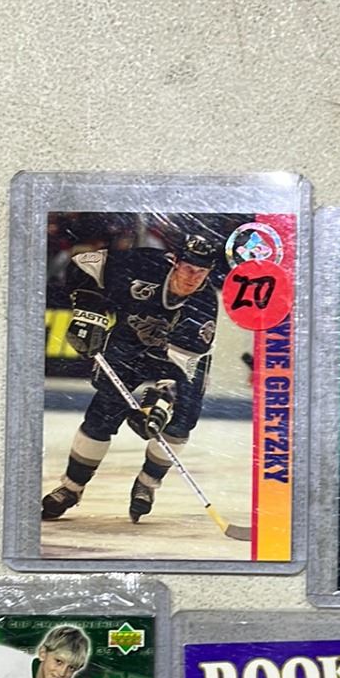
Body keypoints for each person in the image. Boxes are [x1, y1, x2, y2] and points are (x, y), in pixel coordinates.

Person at [41, 222, 223, 525]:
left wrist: (158, 407)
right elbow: (84, 263)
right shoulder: (143, 264)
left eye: (201, 272)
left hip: (181, 360)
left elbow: (178, 371)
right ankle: (71, 488)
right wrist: (89, 311)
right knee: (103, 412)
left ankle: (147, 484)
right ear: (175, 261)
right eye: (188, 268)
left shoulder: (203, 306)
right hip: (129, 343)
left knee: (181, 420)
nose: (193, 277)